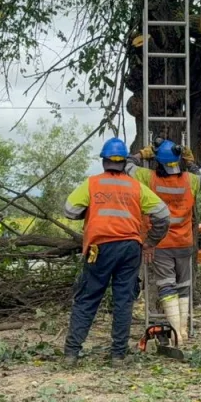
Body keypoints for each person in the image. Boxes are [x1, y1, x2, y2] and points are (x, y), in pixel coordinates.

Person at [62, 137, 170, 366]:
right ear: (123, 163)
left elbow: (70, 211)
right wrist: (150, 241)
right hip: (130, 248)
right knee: (123, 301)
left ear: (104, 161)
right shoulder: (136, 187)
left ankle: (72, 353)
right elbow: (163, 214)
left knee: (88, 298)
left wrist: (90, 210)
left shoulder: (92, 184)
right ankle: (118, 356)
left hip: (99, 248)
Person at [126, 139, 201, 345]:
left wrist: (143, 154)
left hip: (161, 243)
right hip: (185, 242)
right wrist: (191, 161)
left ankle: (176, 333)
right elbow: (199, 176)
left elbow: (126, 166)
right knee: (184, 286)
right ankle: (184, 331)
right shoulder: (191, 181)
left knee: (166, 286)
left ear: (157, 162)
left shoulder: (148, 178)